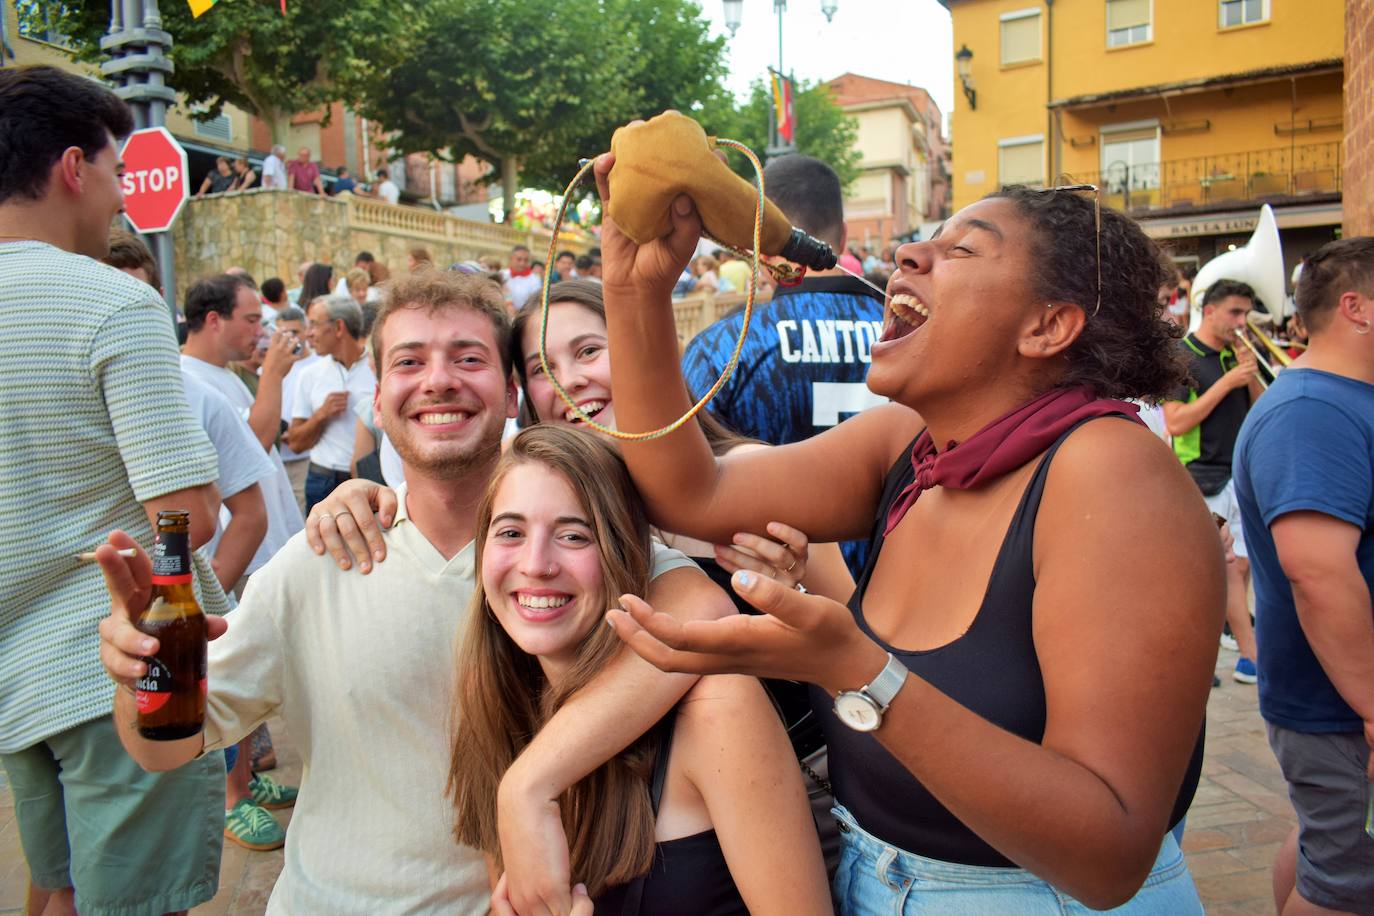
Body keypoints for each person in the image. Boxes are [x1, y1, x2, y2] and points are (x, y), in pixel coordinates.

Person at [595, 159, 1218, 912]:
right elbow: (692, 491)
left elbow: (1109, 854)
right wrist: (634, 291)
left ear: (1048, 326)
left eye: (962, 250)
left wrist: (860, 673)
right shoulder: (909, 446)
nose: (910, 255)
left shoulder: (1114, 477)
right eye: (924, 242)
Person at [95, 270, 736, 914]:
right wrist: (140, 678)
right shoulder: (320, 559)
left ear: (511, 392)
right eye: (410, 361)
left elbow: (700, 606)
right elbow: (166, 747)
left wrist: (527, 786)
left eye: (468, 358)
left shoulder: (564, 553)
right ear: (377, 399)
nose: (439, 381)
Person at [0, 63, 226, 916]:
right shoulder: (113, 303)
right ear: (71, 168)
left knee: (53, 891)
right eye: (116, 173)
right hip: (121, 671)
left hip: (11, 676)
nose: (121, 199)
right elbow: (187, 516)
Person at [452, 425, 832, 913]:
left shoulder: (719, 708)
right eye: (510, 532)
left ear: (625, 555)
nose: (536, 564)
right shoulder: (498, 707)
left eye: (574, 535)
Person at [1233, 236, 1374, 916]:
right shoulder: (1314, 411)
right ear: (1357, 307)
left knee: (1332, 857)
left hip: (1340, 705)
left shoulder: (1329, 401)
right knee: (1348, 884)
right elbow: (1317, 573)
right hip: (1340, 708)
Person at [681, 154, 888, 575]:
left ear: (754, 242)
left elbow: (678, 482)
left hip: (774, 606)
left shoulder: (722, 350)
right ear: (843, 237)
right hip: (916, 597)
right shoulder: (918, 337)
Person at [1163, 278, 1263, 684]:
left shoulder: (1237, 357)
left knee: (1239, 566)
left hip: (1240, 475)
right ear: (1210, 311)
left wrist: (1249, 373)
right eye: (1235, 313)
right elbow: (1176, 420)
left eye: (1246, 314)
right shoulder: (1182, 356)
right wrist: (1227, 383)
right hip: (1201, 478)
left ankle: (1238, 647)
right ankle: (1243, 655)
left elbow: (1260, 411)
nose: (1242, 322)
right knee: (1215, 574)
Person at [287, 294, 375, 510]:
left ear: (338, 327)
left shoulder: (378, 369)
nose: (308, 334)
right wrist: (322, 414)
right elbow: (296, 444)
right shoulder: (309, 375)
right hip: (322, 482)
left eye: (314, 324)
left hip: (370, 482)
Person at [504, 244, 542, 309]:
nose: (522, 263)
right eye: (519, 259)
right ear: (511, 259)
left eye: (526, 260)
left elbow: (535, 303)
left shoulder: (535, 280)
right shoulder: (502, 274)